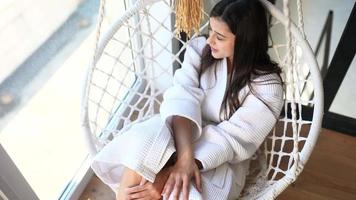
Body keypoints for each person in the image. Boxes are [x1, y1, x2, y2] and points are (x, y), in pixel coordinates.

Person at [91, 0, 284, 199]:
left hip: (220, 158)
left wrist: (173, 171)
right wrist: (183, 158)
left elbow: (232, 140)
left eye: (219, 37)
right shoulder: (201, 49)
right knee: (144, 144)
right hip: (182, 130)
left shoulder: (267, 88)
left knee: (182, 192)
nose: (210, 41)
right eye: (210, 31)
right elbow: (182, 98)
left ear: (245, 41)